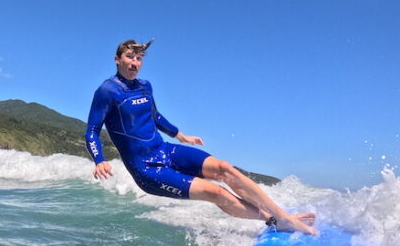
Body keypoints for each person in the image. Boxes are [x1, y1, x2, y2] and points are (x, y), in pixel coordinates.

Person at [85, 39, 317, 235]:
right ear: (117, 59)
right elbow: (92, 131)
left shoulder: (145, 86)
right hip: (146, 169)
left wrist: (181, 136)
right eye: (129, 57)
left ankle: (284, 217)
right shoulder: (108, 91)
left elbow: (155, 117)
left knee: (225, 168)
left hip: (165, 150)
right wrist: (99, 160)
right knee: (216, 192)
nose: (135, 63)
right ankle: (273, 221)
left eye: (139, 59)